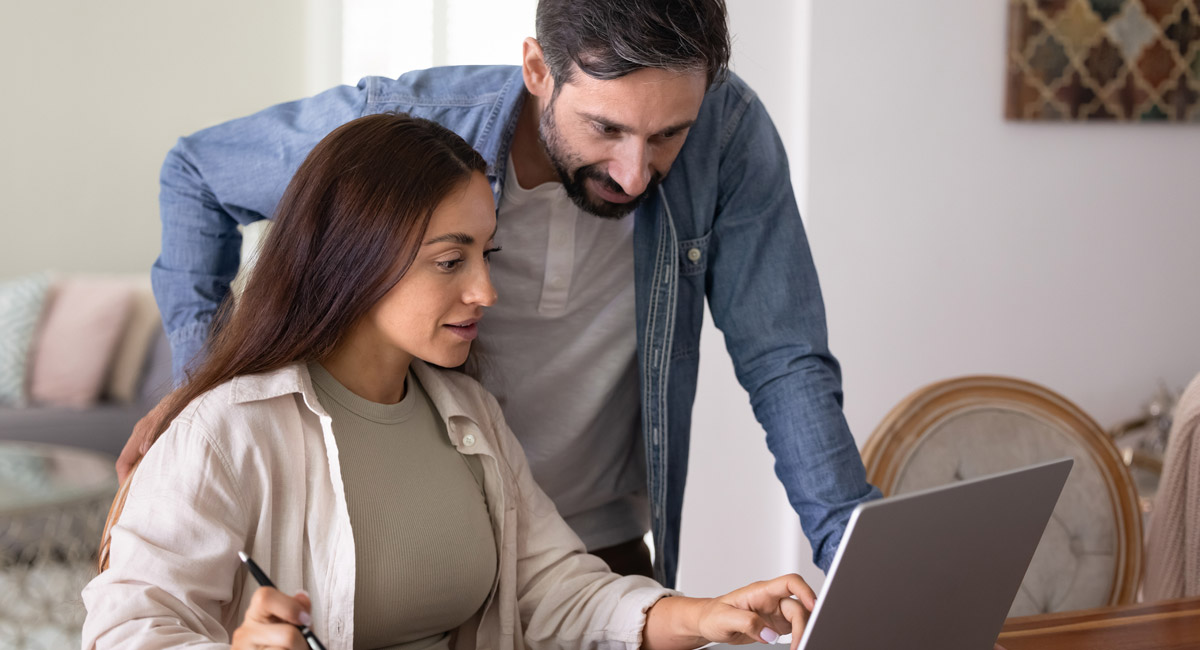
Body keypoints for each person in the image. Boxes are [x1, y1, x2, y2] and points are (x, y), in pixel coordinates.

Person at [123, 0, 880, 585]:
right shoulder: (406, 130)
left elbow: (785, 360)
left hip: (596, 555)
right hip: (406, 551)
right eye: (605, 128)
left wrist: (860, 557)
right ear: (538, 70)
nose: (633, 174)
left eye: (667, 136)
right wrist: (205, 393)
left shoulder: (729, 133)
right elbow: (198, 173)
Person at [82, 112, 816, 650]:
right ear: (353, 260)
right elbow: (122, 633)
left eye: (486, 253)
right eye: (450, 260)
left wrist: (710, 614)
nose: (486, 291)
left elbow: (555, 591)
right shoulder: (226, 432)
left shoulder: (468, 415)